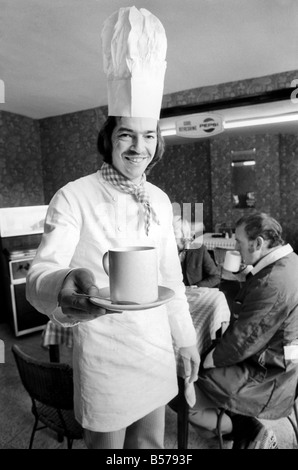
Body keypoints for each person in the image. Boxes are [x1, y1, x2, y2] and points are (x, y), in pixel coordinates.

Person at [26, 6, 200, 450]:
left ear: (158, 142)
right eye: (127, 135)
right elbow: (38, 277)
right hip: (104, 352)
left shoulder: (159, 200)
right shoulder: (74, 195)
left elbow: (172, 282)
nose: (138, 147)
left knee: (152, 450)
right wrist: (65, 284)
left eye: (148, 136)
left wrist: (185, 343)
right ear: (109, 138)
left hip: (156, 349)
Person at [188, 212, 298, 449]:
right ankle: (239, 427)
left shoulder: (272, 283)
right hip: (279, 358)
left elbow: (242, 341)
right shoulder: (289, 262)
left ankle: (248, 430)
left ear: (258, 243)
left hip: (269, 372)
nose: (236, 247)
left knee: (186, 384)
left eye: (239, 242)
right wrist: (243, 276)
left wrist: (207, 360)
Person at [173, 216, 221, 288]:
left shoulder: (200, 250)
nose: (170, 238)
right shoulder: (166, 253)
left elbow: (216, 277)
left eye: (174, 234)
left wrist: (197, 286)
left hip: (194, 293)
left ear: (184, 234)